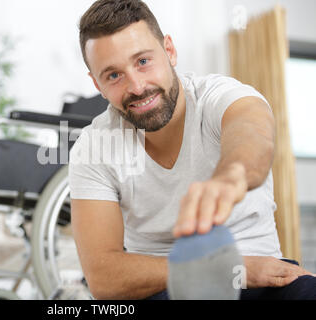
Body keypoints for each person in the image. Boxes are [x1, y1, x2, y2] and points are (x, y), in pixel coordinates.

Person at [68, 0, 316, 300]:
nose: (136, 86)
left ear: (169, 51)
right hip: (166, 289)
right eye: (113, 75)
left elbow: (252, 136)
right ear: (97, 83)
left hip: (263, 278)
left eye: (143, 61)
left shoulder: (221, 96)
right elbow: (105, 278)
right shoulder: (93, 146)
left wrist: (231, 177)